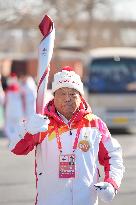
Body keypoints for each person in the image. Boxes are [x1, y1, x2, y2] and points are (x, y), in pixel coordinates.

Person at [10, 66, 124, 205]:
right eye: (62, 93)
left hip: (85, 201)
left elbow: (113, 156)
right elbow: (16, 148)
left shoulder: (94, 124)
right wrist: (27, 129)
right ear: (54, 96)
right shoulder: (41, 123)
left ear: (81, 97)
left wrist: (111, 183)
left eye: (72, 93)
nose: (67, 98)